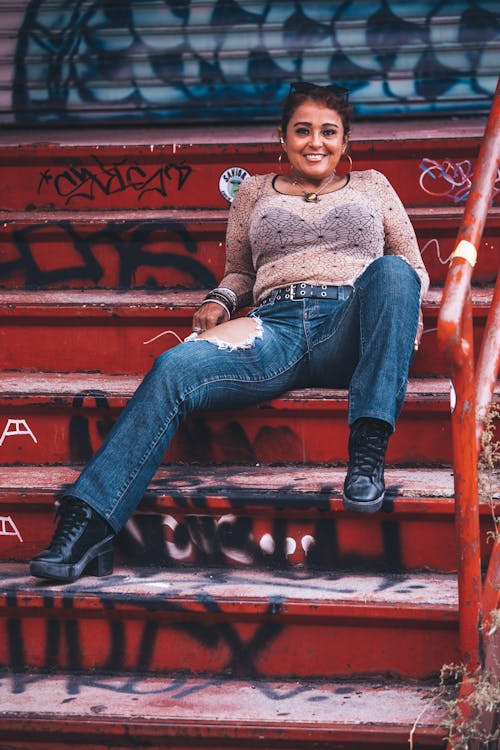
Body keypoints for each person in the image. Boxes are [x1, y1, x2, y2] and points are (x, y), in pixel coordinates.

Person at [30, 82, 429, 583]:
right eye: (301, 130)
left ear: (346, 141)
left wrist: (400, 324)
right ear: (281, 138)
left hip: (347, 323)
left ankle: (367, 453)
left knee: (393, 272)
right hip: (272, 329)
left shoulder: (373, 185)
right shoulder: (255, 192)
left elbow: (412, 269)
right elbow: (240, 272)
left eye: (329, 132)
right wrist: (219, 300)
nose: (315, 142)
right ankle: (87, 523)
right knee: (174, 367)